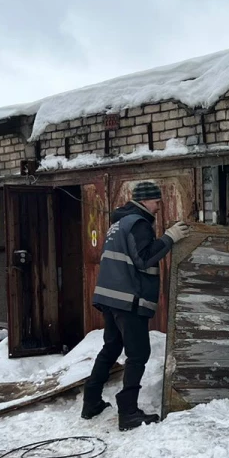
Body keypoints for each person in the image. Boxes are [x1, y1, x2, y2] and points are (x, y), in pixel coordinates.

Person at [81, 182, 190, 430]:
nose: (159, 207)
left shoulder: (119, 223)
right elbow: (144, 259)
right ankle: (128, 412)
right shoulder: (138, 223)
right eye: (156, 202)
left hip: (110, 297)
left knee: (111, 348)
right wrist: (169, 238)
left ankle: (91, 401)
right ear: (145, 201)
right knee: (138, 354)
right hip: (127, 298)